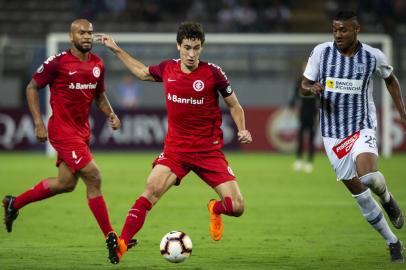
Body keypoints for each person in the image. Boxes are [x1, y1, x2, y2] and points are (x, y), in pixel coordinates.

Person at [95, 21, 253, 264]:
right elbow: (141, 72)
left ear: (202, 47)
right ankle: (122, 244)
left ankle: (215, 209)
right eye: (187, 48)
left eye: (196, 48)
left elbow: (235, 105)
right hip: (176, 151)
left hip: (208, 151)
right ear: (178, 45)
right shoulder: (168, 68)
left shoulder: (213, 73)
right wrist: (116, 49)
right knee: (150, 191)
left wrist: (242, 128)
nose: (191, 54)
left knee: (237, 207)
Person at [3, 19, 122, 248]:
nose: (87, 37)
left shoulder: (98, 64)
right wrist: (38, 123)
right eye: (81, 33)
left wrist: (111, 114)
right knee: (94, 177)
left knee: (65, 183)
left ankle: (13, 203)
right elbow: (31, 88)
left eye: (89, 33)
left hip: (82, 133)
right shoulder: (57, 63)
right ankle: (111, 237)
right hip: (62, 131)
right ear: (71, 37)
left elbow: (99, 96)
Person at [302, 11, 405, 263]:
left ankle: (388, 199)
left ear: (356, 29)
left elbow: (390, 79)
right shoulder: (321, 53)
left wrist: (402, 112)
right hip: (332, 134)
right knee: (359, 195)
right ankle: (393, 242)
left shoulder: (372, 56)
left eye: (344, 30)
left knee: (368, 175)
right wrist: (311, 88)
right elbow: (304, 85)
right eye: (335, 30)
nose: (338, 35)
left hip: (361, 127)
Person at [290, 72, 318, 173]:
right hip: (302, 116)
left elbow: (320, 100)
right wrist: (294, 109)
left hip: (313, 116)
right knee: (301, 138)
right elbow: (293, 101)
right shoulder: (299, 83)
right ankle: (299, 160)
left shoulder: (315, 83)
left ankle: (310, 162)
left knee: (311, 139)